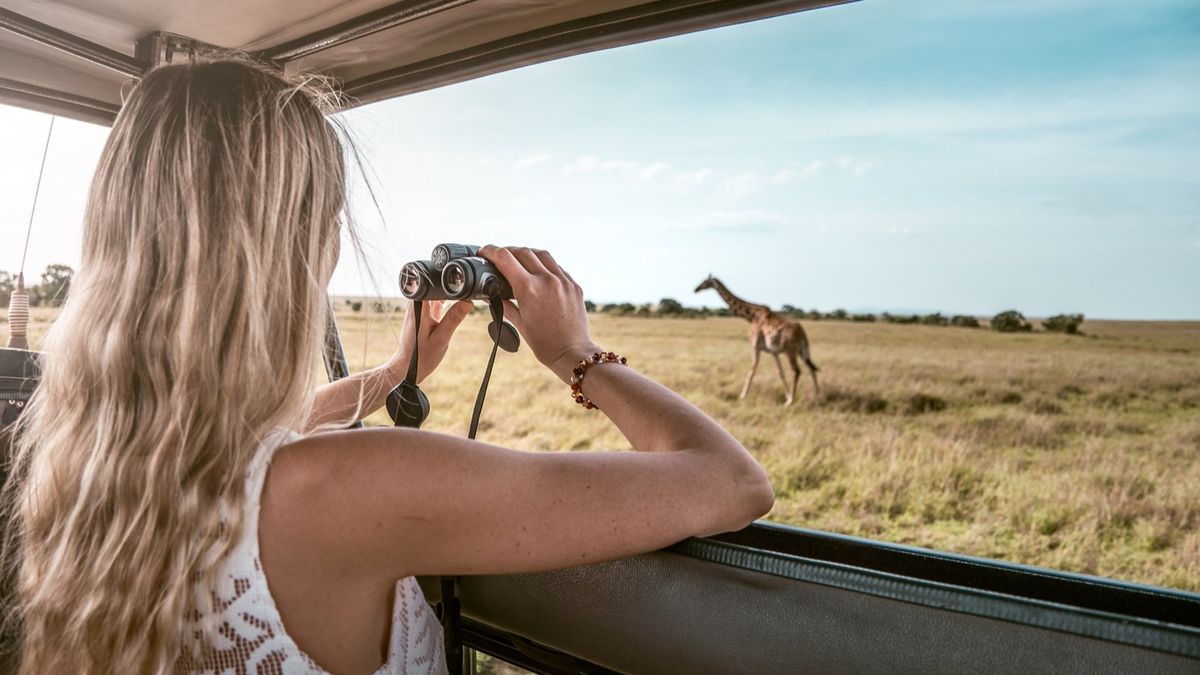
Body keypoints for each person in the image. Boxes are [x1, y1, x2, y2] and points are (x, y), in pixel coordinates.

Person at [2, 58, 773, 674]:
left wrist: (392, 374)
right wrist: (578, 355)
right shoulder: (344, 485)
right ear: (294, 245)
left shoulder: (92, 460)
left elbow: (241, 445)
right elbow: (732, 482)